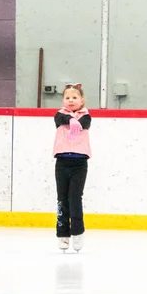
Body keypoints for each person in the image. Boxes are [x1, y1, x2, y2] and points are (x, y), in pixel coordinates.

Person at [52, 83, 91, 252]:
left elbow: (84, 123)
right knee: (62, 199)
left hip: (79, 164)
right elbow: (60, 119)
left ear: (82, 100)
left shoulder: (86, 116)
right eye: (67, 98)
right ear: (63, 101)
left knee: (75, 198)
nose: (71, 100)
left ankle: (77, 232)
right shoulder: (59, 115)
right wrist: (70, 119)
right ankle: (62, 234)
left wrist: (76, 121)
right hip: (62, 163)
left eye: (75, 97)